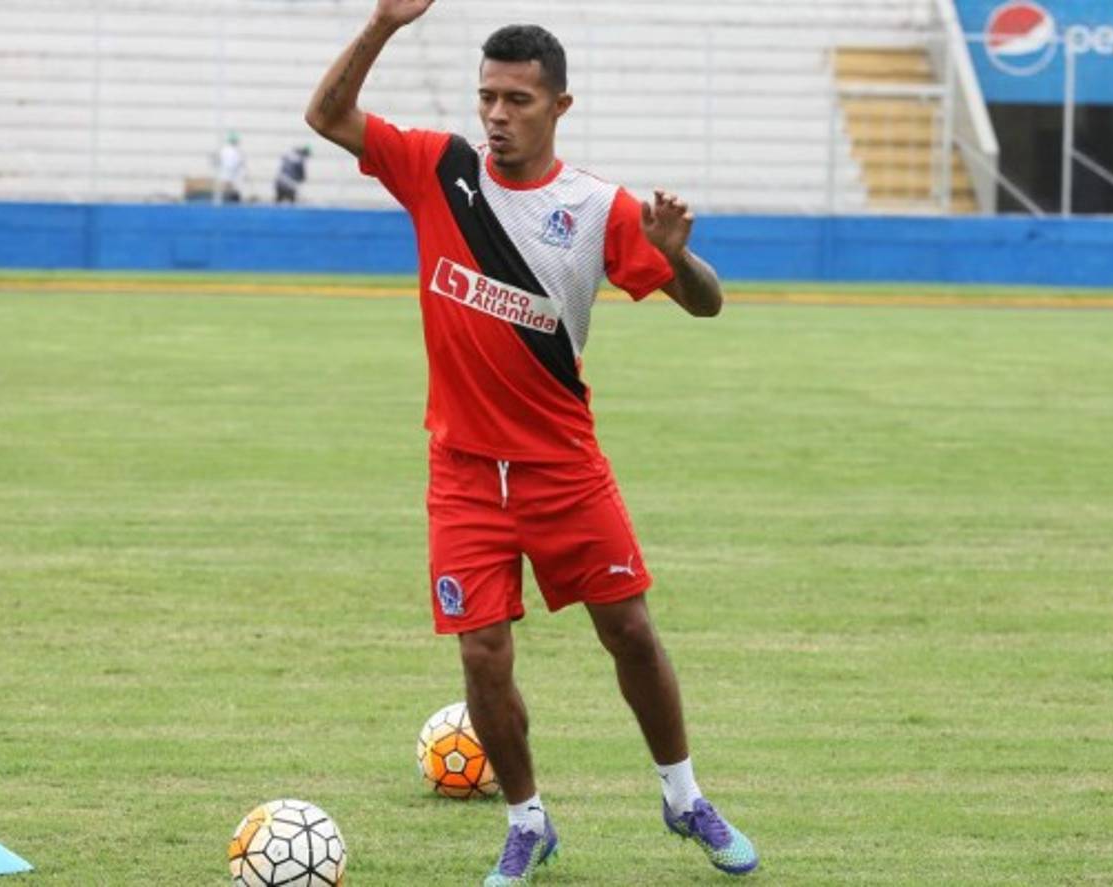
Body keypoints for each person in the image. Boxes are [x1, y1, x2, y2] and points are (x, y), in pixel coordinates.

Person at [305, 2, 759, 884]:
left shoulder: (596, 208)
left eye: (517, 99)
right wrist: (384, 25)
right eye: (487, 97)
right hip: (465, 472)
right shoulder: (438, 168)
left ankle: (684, 796)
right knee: (482, 651)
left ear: (560, 106)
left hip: (563, 467)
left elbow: (708, 303)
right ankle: (527, 820)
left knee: (629, 628)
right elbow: (326, 117)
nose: (497, 115)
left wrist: (678, 259)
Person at [216, 131, 246, 203]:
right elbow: (238, 162)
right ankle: (227, 198)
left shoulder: (226, 150)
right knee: (229, 186)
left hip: (230, 172)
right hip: (230, 172)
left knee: (228, 186)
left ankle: (226, 198)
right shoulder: (233, 150)